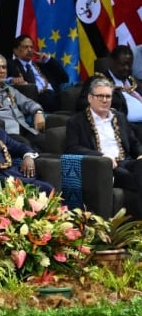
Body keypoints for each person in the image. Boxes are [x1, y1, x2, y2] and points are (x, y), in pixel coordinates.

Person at [65, 77, 142, 214]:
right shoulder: (76, 121)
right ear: (90, 98)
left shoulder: (119, 117)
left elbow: (134, 142)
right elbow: (72, 148)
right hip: (103, 166)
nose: (105, 100)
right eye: (100, 96)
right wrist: (102, 156)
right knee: (132, 177)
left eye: (108, 96)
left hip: (126, 161)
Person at [77, 45, 142, 139]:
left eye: (129, 65)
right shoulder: (98, 81)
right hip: (125, 127)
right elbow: (82, 104)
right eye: (122, 64)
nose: (126, 68)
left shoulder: (134, 82)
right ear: (111, 62)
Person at [6, 34, 69, 112]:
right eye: (26, 47)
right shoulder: (10, 64)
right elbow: (0, 79)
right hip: (36, 99)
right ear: (15, 50)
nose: (29, 50)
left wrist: (48, 60)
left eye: (31, 47)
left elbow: (64, 78)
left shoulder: (41, 65)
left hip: (54, 96)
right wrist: (11, 79)